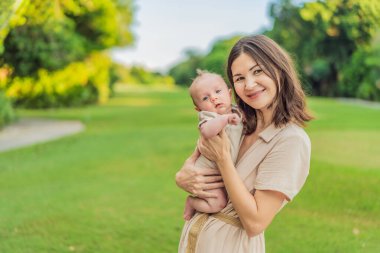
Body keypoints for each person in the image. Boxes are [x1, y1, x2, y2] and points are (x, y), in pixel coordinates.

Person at [175, 34, 313, 253]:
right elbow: (199, 154)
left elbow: (255, 223)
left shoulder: (291, 140)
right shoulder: (238, 122)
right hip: (195, 240)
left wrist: (223, 159)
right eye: (239, 78)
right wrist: (183, 175)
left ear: (279, 69)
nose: (249, 84)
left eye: (258, 71)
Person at [183, 69, 243, 220]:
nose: (214, 98)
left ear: (229, 94)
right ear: (199, 109)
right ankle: (192, 202)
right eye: (205, 98)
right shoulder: (210, 117)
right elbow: (207, 131)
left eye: (217, 91)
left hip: (224, 169)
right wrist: (225, 119)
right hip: (207, 174)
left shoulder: (238, 112)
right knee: (218, 203)